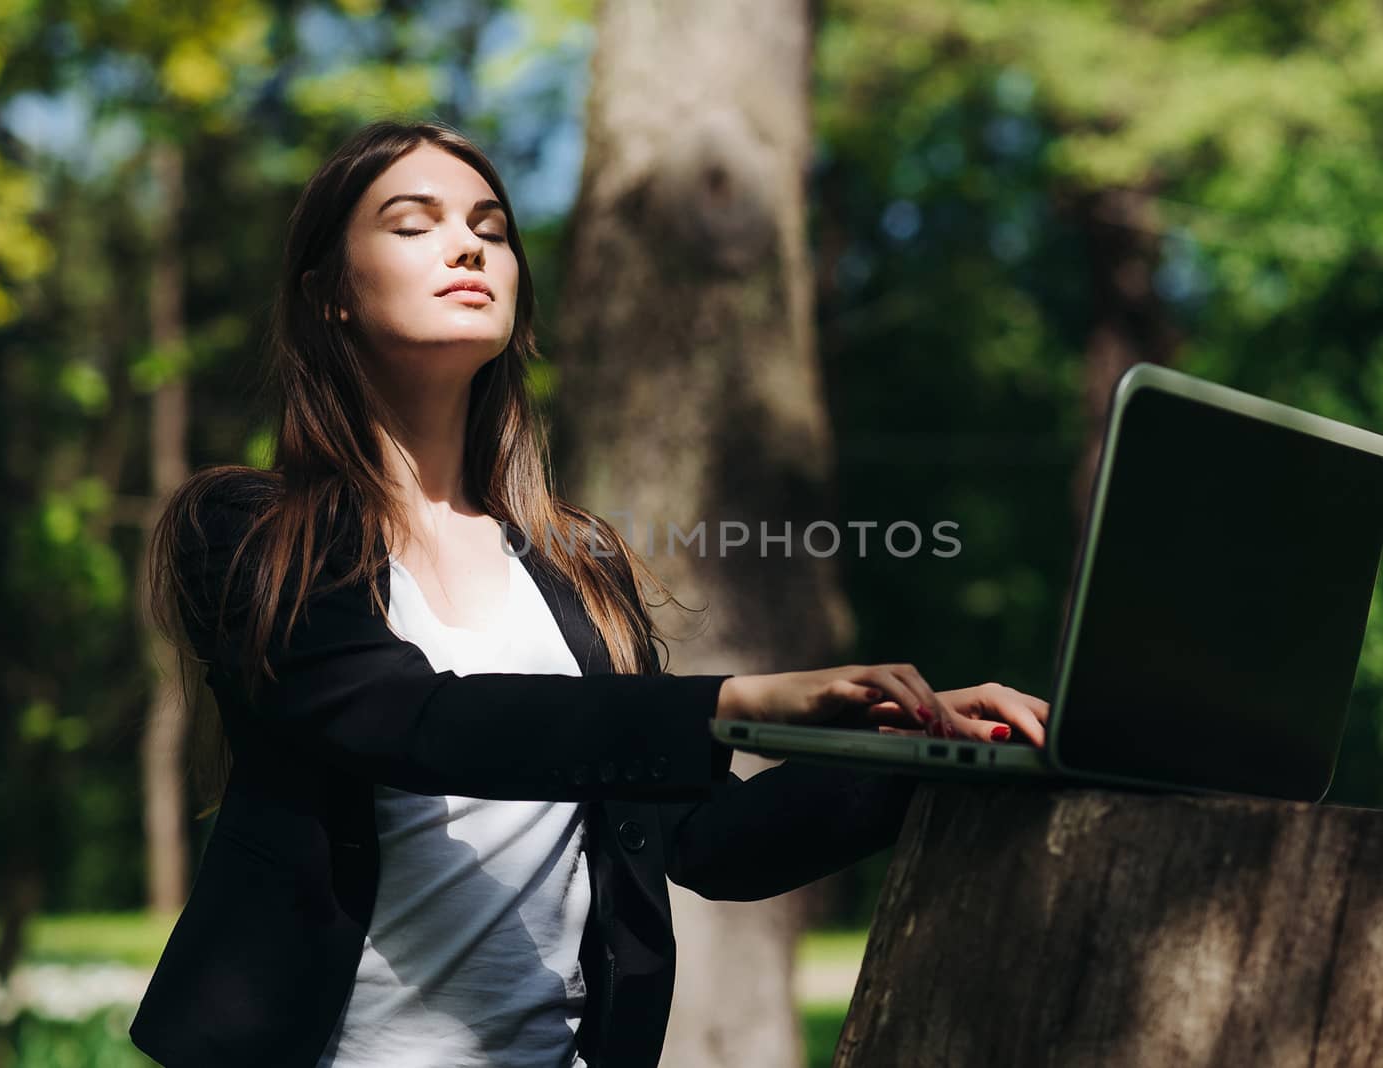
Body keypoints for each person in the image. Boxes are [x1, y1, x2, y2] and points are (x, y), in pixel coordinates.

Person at [128, 118, 1049, 1068]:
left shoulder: (576, 564)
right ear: (329, 296)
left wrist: (913, 753)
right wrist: (740, 701)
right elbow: (411, 722)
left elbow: (699, 842)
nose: (467, 245)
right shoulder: (247, 532)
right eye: (414, 224)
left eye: (491, 227)